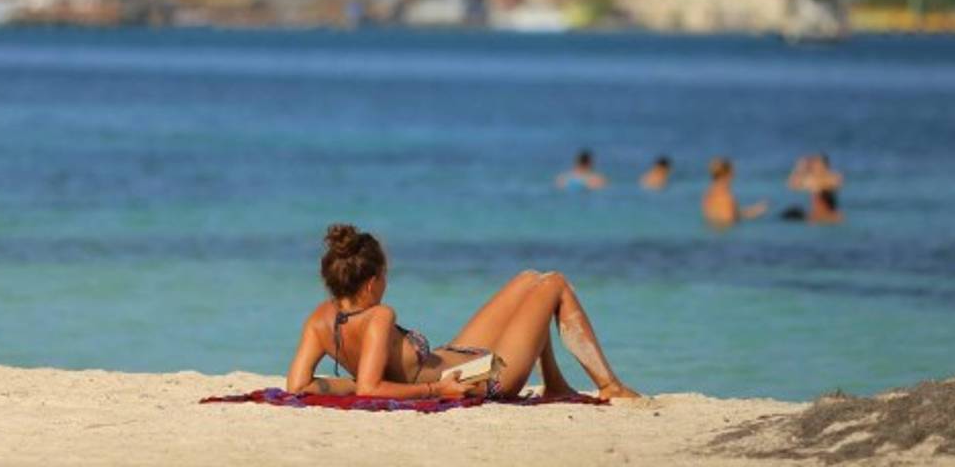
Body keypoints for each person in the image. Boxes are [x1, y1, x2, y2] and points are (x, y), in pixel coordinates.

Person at [286, 224, 639, 401]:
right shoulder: (379, 316)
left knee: (529, 281)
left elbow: (298, 385)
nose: (386, 285)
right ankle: (609, 386)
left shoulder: (318, 320)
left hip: (454, 356)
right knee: (553, 284)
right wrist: (437, 391)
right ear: (370, 283)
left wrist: (341, 385)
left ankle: (556, 385)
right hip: (481, 377)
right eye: (386, 277)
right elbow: (369, 388)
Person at [700, 157, 768, 229]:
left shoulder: (708, 193)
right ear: (728, 174)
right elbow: (730, 219)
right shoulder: (724, 195)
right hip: (724, 234)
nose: (735, 175)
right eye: (733, 172)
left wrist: (753, 210)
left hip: (712, 231)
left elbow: (716, 215)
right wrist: (755, 213)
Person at [783, 154, 844, 224]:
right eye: (814, 165)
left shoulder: (833, 177)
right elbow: (790, 185)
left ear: (825, 166)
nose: (816, 167)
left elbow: (836, 184)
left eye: (818, 164)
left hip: (824, 210)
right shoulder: (810, 179)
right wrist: (800, 168)